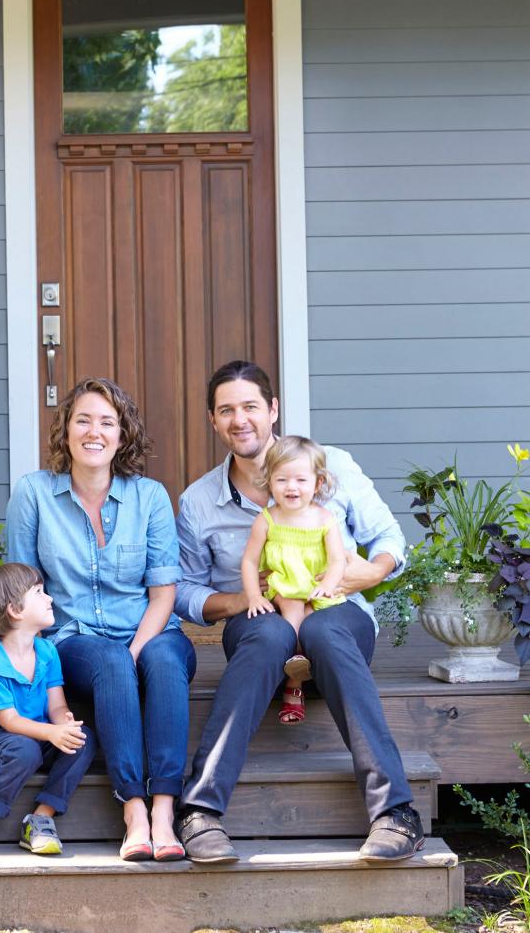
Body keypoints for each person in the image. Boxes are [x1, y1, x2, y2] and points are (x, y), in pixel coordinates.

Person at [175, 360, 424, 866]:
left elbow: (391, 540)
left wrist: (367, 574)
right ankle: (200, 810)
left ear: (272, 410)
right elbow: (182, 589)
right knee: (265, 636)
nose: (239, 420)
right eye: (226, 410)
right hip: (260, 625)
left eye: (249, 407)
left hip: (339, 614)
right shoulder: (199, 501)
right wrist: (240, 601)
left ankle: (395, 811)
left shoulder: (332, 465)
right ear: (213, 420)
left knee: (328, 631)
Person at [6, 377, 196, 862]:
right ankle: (134, 808)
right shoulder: (34, 493)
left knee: (165, 663)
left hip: (150, 627)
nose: (95, 431)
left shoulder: (149, 496)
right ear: (65, 431)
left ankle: (164, 811)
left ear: (122, 434)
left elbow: (164, 594)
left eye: (107, 422)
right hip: (73, 638)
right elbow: (21, 589)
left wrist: (136, 651)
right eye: (83, 420)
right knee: (110, 662)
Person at [0, 563, 97, 858]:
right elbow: (9, 721)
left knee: (84, 739)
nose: (50, 598)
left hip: (38, 733)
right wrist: (52, 732)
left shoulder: (47, 652)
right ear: (15, 611)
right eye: (39, 592)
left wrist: (64, 723)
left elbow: (56, 703)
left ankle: (42, 818)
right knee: (24, 750)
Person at [240, 435, 345, 725]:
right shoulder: (268, 519)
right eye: (282, 479)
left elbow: (338, 560)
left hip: (314, 588)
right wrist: (254, 596)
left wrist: (328, 584)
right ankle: (293, 685)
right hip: (285, 586)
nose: (291, 487)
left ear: (318, 483)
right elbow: (249, 560)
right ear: (270, 481)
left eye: (301, 480)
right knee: (295, 614)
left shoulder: (325, 519)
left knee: (316, 625)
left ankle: (298, 673)